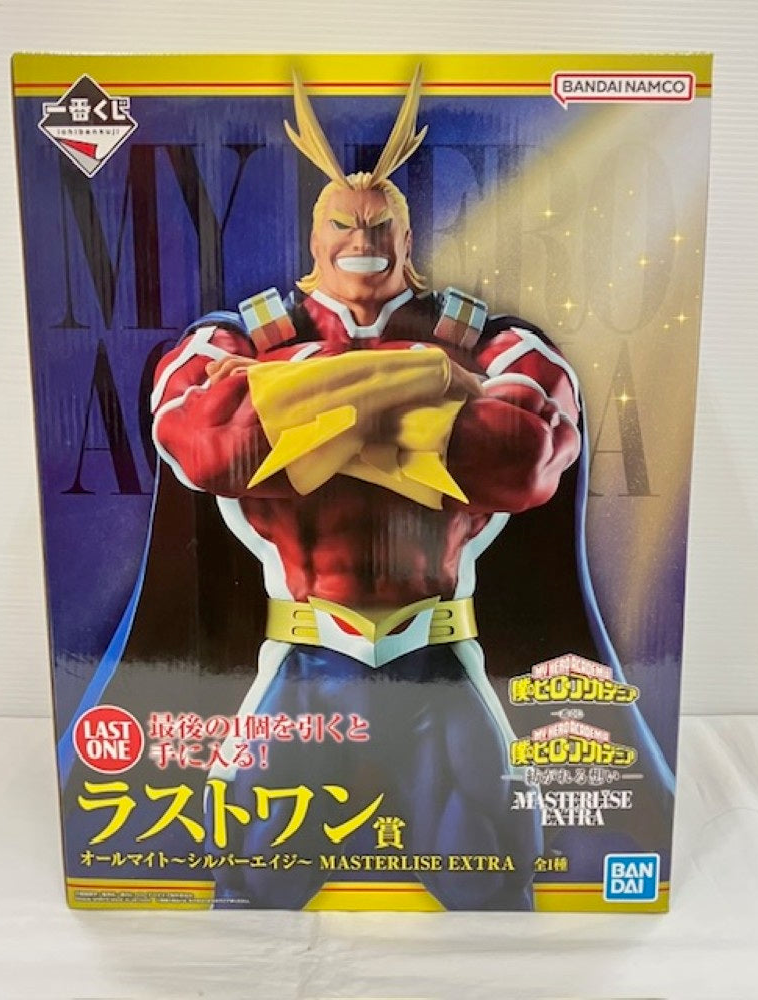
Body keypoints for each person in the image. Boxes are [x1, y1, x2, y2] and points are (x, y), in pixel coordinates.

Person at [132, 68, 670, 910]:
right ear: (316, 234)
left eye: (379, 223)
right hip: (309, 660)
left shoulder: (499, 340)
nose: (363, 237)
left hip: (436, 658)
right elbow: (205, 444)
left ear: (406, 233)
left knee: (492, 872)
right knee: (253, 878)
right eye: (344, 222)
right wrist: (435, 382)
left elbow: (523, 453)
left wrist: (292, 400)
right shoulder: (230, 336)